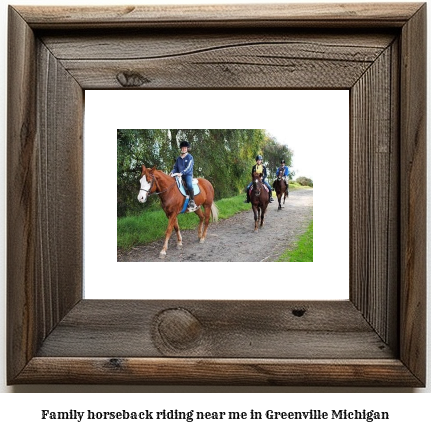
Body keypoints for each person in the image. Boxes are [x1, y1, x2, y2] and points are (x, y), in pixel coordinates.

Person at [170, 140, 198, 211]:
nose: (183, 149)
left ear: (187, 149)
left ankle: (192, 201)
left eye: (185, 148)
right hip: (179, 175)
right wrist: (172, 172)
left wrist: (181, 173)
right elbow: (175, 168)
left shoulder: (190, 157)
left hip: (187, 175)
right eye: (182, 148)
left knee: (189, 185)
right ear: (181, 149)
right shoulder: (178, 158)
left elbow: (188, 168)